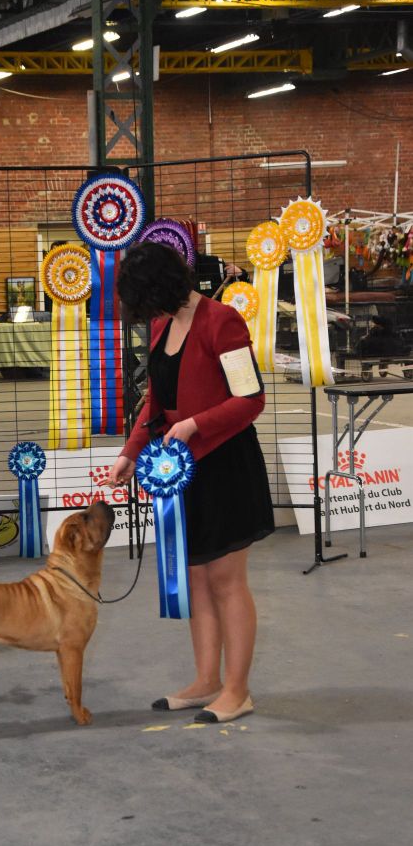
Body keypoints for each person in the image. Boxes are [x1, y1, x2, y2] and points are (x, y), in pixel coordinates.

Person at [104, 241, 275, 724]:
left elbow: (251, 400)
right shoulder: (162, 325)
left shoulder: (222, 322)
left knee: (226, 580)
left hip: (224, 465)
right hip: (182, 467)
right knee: (195, 577)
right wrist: (128, 453)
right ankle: (206, 680)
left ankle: (237, 690)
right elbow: (156, 401)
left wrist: (196, 425)